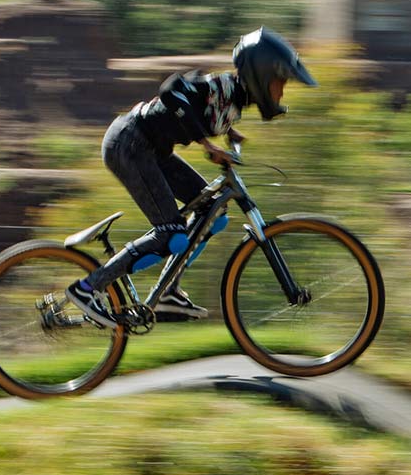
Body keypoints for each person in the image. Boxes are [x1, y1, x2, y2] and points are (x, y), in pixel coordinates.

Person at [66, 27, 317, 326]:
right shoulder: (220, 86)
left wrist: (229, 134)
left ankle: (168, 293)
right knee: (171, 233)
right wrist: (206, 143)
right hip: (129, 145)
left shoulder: (234, 98)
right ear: (261, 76)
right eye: (280, 83)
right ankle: (87, 289)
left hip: (153, 150)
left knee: (213, 213)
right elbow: (171, 90)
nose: (281, 91)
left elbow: (205, 113)